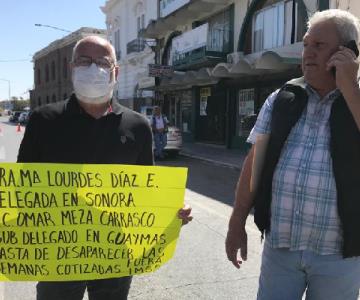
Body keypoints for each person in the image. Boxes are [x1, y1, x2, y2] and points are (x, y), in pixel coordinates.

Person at [17, 36, 192, 300]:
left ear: (115, 71)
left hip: (115, 253)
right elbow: (22, 189)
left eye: (102, 61)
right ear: (71, 67)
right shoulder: (43, 120)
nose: (93, 67)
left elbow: (146, 192)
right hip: (58, 254)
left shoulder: (138, 126)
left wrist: (171, 211)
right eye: (84, 60)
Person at [225, 9, 360, 300]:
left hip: (340, 257)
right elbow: (254, 164)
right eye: (306, 45)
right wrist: (236, 222)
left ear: (348, 52)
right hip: (281, 250)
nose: (308, 53)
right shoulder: (283, 98)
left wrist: (349, 87)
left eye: (319, 46)